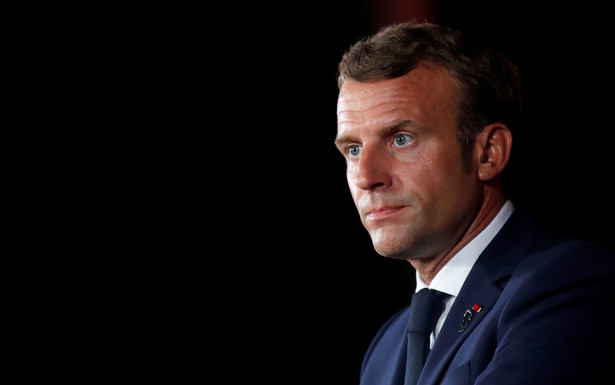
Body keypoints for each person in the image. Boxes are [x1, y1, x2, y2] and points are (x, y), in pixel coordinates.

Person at [334, 21, 615, 385]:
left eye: (401, 139)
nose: (365, 176)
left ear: (489, 153)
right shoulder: (385, 348)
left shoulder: (568, 284)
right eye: (353, 149)